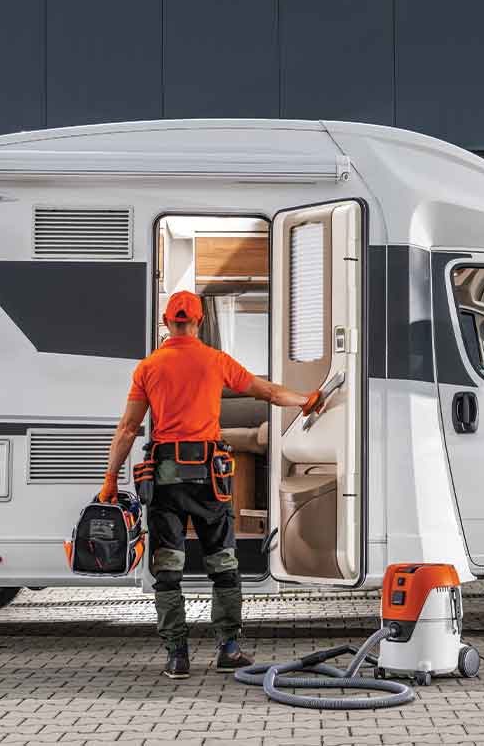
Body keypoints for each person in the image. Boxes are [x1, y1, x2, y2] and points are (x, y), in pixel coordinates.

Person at [98, 290, 323, 679]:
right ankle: (229, 649)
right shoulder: (215, 361)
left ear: (167, 322)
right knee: (222, 563)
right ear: (199, 321)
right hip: (210, 479)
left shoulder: (149, 367)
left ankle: (177, 656)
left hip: (165, 478)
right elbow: (269, 392)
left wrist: (109, 480)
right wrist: (306, 400)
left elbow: (128, 429)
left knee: (168, 567)